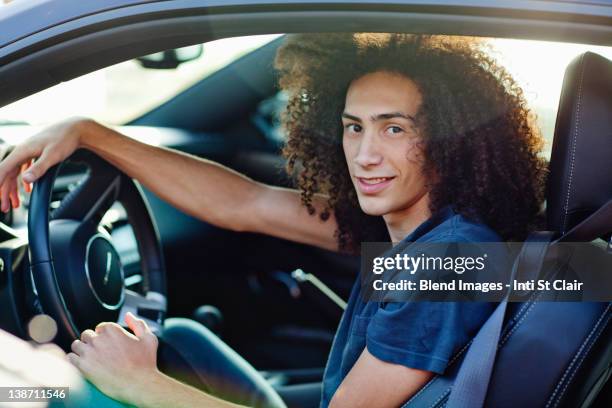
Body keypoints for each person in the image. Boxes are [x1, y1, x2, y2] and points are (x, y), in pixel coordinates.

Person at [0, 33, 546, 407]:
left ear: (453, 140)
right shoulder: (424, 229)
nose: (365, 154)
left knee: (45, 391)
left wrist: (138, 382)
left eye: (394, 129)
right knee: (181, 339)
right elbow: (243, 203)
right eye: (354, 127)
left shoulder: (445, 262)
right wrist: (91, 132)